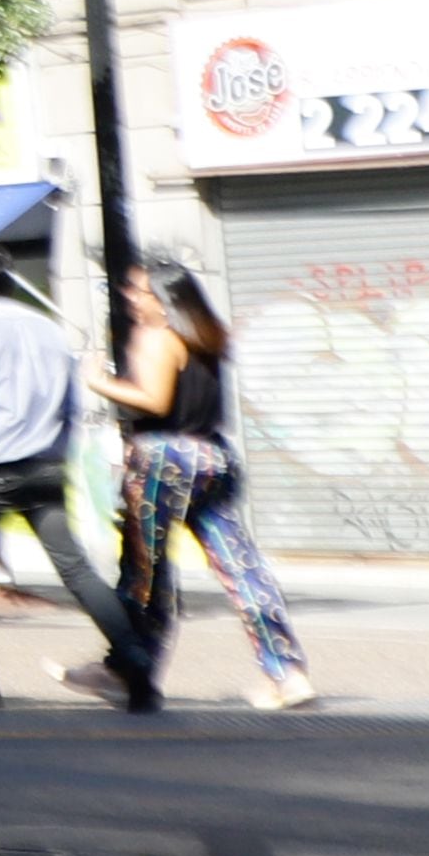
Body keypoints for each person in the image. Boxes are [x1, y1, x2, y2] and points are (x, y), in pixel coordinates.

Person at [94, 260, 313, 710]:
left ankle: (131, 670)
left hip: (163, 459)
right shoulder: (205, 336)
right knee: (240, 565)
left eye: (139, 291)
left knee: (145, 572)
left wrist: (100, 382)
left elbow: (154, 399)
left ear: (163, 298)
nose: (130, 297)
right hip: (212, 455)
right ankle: (285, 670)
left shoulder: (154, 337)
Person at [0, 251, 143, 709]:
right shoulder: (43, 324)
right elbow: (70, 401)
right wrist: (59, 448)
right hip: (46, 462)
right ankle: (135, 658)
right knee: (76, 568)